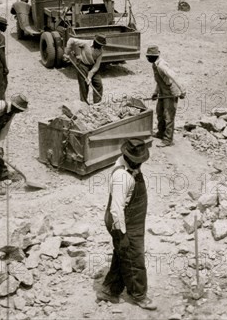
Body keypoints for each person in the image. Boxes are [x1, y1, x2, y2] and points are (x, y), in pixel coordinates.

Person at [97, 139, 157, 310]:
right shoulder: (122, 177)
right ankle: (139, 295)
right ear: (127, 156)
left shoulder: (132, 167)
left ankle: (109, 290)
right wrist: (122, 235)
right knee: (135, 258)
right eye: (137, 161)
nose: (140, 164)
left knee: (123, 255)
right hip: (123, 221)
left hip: (132, 220)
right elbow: (116, 209)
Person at [146, 45, 186, 147]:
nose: (147, 58)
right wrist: (155, 92)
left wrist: (182, 90)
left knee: (168, 116)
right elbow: (159, 81)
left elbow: (173, 76)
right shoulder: (155, 65)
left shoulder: (162, 65)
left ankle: (168, 139)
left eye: (149, 56)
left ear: (154, 56)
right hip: (163, 92)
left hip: (170, 92)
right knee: (160, 113)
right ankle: (161, 133)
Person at [64, 35, 106, 104]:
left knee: (98, 83)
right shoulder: (86, 43)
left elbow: (96, 65)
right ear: (95, 42)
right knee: (84, 86)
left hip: (93, 67)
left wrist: (89, 76)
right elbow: (71, 40)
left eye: (102, 45)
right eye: (99, 44)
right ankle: (83, 103)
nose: (100, 47)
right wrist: (67, 52)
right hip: (83, 65)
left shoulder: (100, 51)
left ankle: (97, 104)